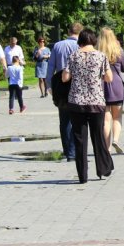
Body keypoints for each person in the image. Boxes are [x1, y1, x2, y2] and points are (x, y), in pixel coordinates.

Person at [62, 29, 114, 184]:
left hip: (76, 102)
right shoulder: (101, 56)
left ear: (81, 41)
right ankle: (102, 169)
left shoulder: (73, 55)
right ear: (93, 40)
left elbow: (65, 78)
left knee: (79, 139)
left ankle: (82, 176)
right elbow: (109, 78)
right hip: (96, 102)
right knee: (98, 136)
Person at [48, 22, 83, 162]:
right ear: (80, 33)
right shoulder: (81, 46)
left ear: (69, 31)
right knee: (78, 119)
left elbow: (50, 67)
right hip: (78, 85)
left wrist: (49, 86)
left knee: (64, 120)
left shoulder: (57, 45)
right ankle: (77, 149)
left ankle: (69, 151)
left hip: (61, 86)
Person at [99, 27, 124, 154]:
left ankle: (107, 147)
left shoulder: (97, 51)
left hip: (101, 86)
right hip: (116, 85)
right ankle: (115, 139)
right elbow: (123, 68)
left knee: (106, 119)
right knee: (117, 117)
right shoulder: (118, 50)